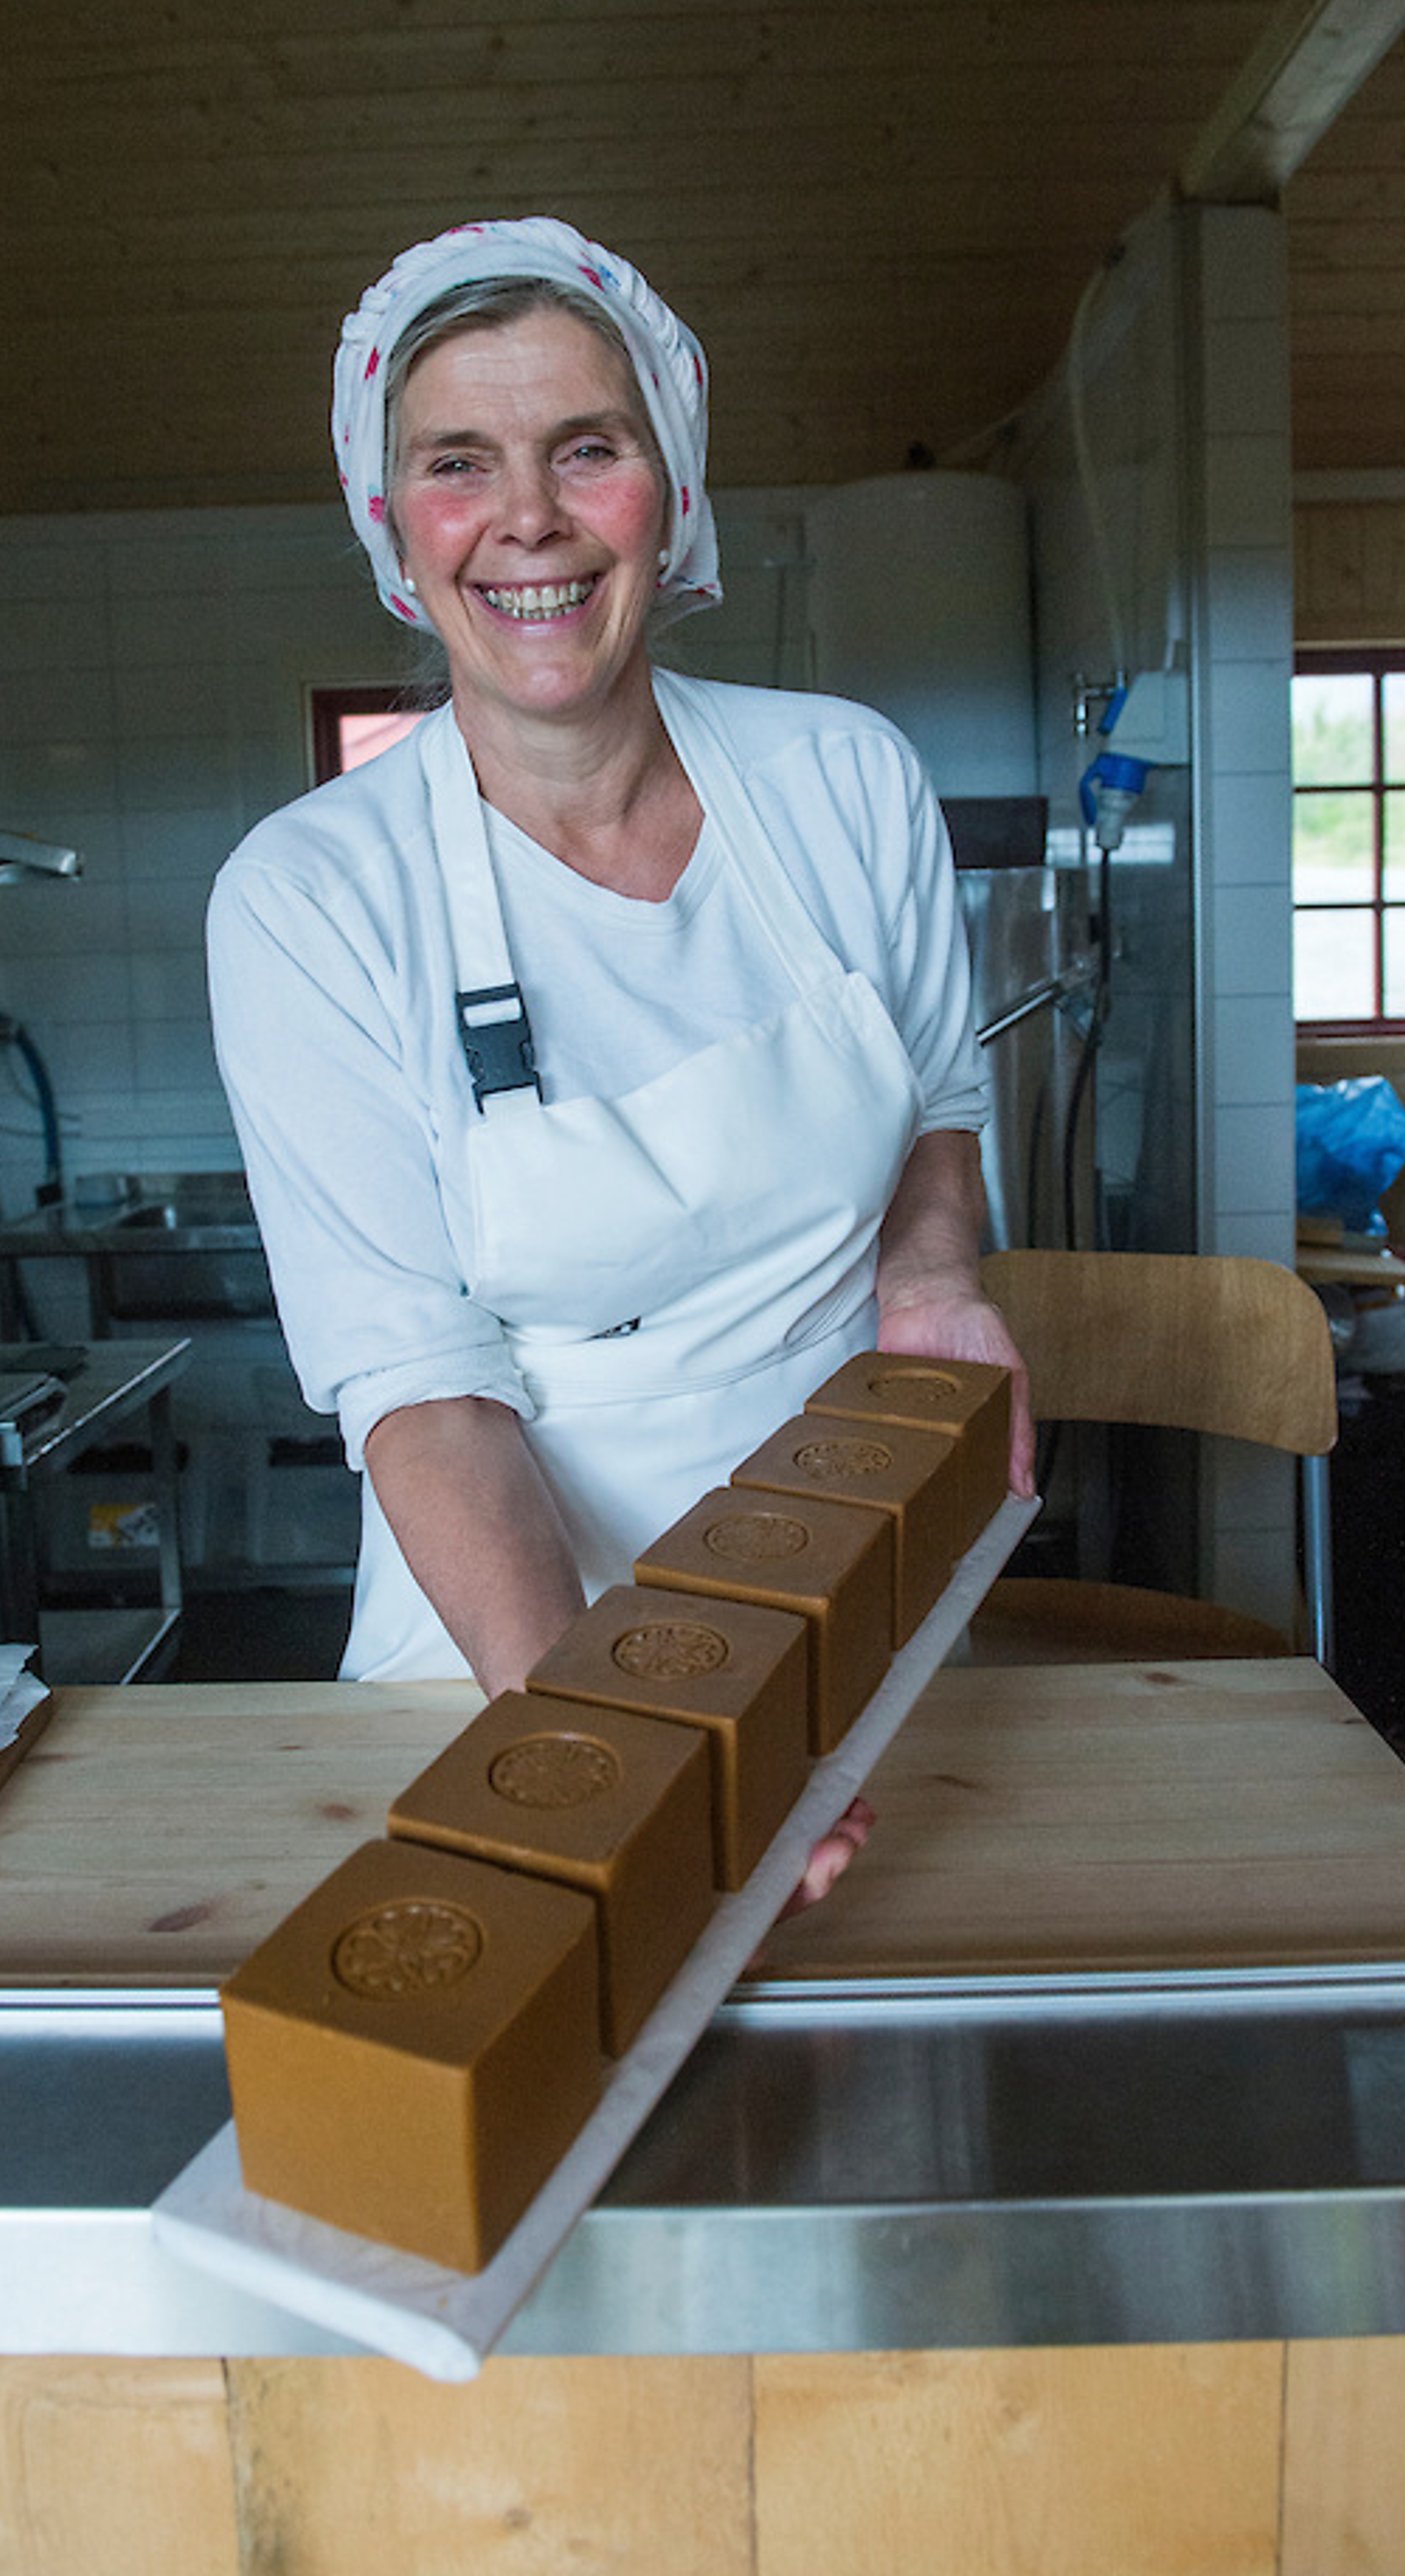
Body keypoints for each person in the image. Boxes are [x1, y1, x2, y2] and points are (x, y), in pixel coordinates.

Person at [208, 216, 1033, 1809]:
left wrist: (935, 1275)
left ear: (675, 482)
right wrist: (621, 1755)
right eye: (460, 462)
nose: (528, 519)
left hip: (857, 1594)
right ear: (392, 523)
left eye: (587, 448)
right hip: (503, 1668)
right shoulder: (308, 897)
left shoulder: (844, 781)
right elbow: (422, 1390)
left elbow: (937, 1105)